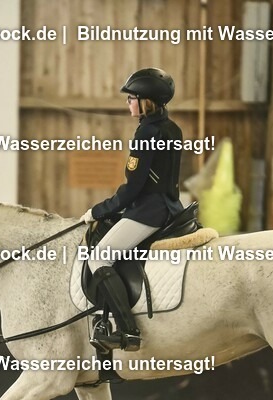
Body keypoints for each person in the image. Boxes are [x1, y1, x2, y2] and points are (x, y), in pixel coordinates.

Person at [80, 67, 184, 352]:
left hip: (149, 212)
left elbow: (132, 188)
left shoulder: (147, 132)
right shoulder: (171, 128)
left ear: (145, 101)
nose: (128, 103)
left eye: (131, 98)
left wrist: (99, 210)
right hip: (170, 208)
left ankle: (127, 330)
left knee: (99, 258)